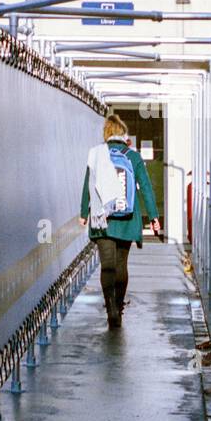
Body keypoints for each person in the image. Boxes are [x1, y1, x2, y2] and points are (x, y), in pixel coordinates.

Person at [79, 114, 160, 329]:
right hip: (127, 219)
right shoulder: (132, 156)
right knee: (121, 264)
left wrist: (83, 213)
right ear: (124, 135)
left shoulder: (97, 155)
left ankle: (110, 309)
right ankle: (119, 306)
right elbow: (145, 187)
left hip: (102, 219)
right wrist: (153, 217)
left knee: (107, 265)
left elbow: (88, 185)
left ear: (106, 134)